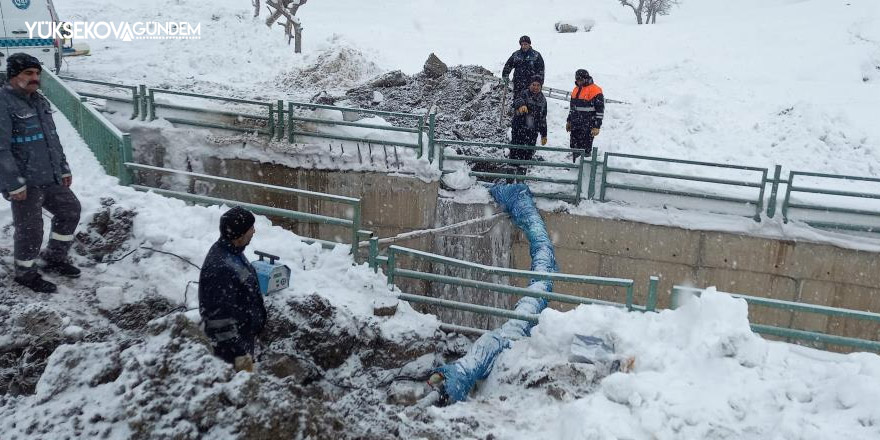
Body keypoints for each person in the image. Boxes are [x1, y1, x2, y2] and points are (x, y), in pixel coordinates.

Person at [0, 53, 81, 293]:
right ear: (14, 75)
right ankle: (25, 273)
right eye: (29, 73)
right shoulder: (3, 103)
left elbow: (52, 140)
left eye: (37, 74)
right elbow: (1, 148)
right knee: (30, 228)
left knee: (70, 210)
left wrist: (63, 168)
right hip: (25, 181)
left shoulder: (39, 101)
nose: (35, 78)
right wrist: (13, 183)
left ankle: (55, 257)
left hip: (50, 176)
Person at [199, 206, 267, 372]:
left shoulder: (232, 252)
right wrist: (239, 355)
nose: (254, 231)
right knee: (239, 389)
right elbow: (219, 320)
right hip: (231, 352)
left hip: (243, 338)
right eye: (251, 228)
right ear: (239, 235)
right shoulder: (221, 268)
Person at [566, 69, 605, 162]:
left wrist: (597, 126)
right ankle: (575, 166)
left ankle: (584, 168)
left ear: (586, 78)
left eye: (581, 80)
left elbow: (600, 111)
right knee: (574, 146)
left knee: (585, 148)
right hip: (576, 124)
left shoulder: (596, 90)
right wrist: (569, 121)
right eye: (577, 80)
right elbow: (572, 108)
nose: (579, 82)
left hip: (588, 125)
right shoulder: (575, 89)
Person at [509, 76, 548, 164]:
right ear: (530, 85)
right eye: (533, 84)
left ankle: (522, 174)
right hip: (519, 130)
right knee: (515, 153)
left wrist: (544, 135)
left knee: (527, 155)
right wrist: (521, 105)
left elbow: (543, 118)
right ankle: (510, 173)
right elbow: (516, 101)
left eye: (538, 85)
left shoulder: (543, 100)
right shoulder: (524, 93)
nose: (536, 87)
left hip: (532, 133)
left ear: (541, 86)